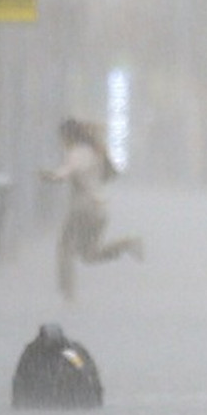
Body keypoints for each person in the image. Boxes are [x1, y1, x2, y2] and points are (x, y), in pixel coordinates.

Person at [41, 118, 143, 302]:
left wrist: (51, 176)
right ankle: (127, 244)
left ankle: (67, 293)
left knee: (64, 248)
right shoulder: (95, 152)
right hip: (99, 210)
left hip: (82, 209)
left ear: (68, 136)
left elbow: (70, 170)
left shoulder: (79, 152)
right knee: (89, 254)